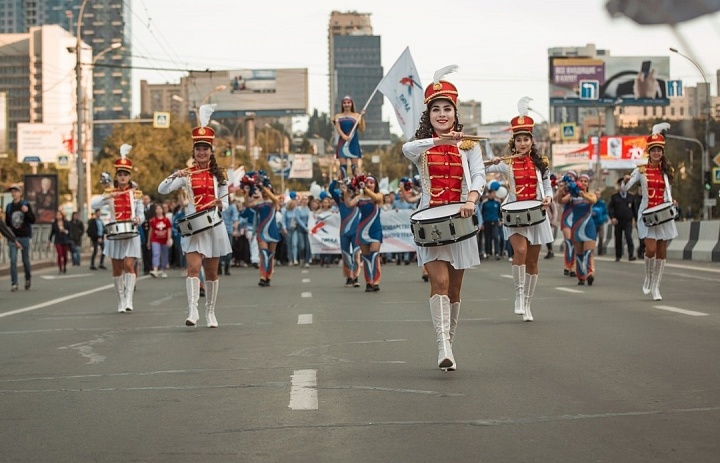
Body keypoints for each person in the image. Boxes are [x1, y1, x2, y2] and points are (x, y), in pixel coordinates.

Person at [402, 67, 486, 371]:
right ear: (429, 114)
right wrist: (439, 142)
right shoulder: (421, 146)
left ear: (455, 112)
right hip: (429, 223)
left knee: (454, 288)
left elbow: (478, 175)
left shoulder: (469, 146)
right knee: (438, 280)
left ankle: (449, 341)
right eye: (435, 109)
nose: (441, 114)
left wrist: (471, 199)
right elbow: (406, 148)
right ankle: (443, 347)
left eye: (446, 108)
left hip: (460, 221)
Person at [158, 104, 232, 327]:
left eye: (205, 148)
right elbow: (162, 189)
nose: (201, 152)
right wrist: (174, 175)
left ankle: (210, 312)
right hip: (192, 227)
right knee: (192, 268)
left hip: (213, 225)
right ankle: (193, 311)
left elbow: (226, 203)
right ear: (194, 151)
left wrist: (220, 204)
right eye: (198, 149)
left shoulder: (220, 175)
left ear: (211, 151)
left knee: (211, 272)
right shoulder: (186, 174)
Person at [487, 97, 553, 321]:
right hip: (514, 213)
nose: (522, 143)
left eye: (526, 139)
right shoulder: (507, 162)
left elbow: (546, 184)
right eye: (519, 140)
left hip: (536, 212)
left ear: (531, 141)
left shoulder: (540, 163)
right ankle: (518, 295)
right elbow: (482, 166)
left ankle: (528, 303)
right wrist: (492, 160)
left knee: (533, 262)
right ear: (513, 142)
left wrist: (549, 198)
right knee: (521, 252)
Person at [622, 123, 678, 301]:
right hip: (647, 214)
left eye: (659, 150)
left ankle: (656, 286)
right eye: (653, 150)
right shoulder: (641, 169)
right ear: (649, 151)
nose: (656, 153)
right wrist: (625, 181)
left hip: (663, 213)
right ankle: (648, 276)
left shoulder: (667, 171)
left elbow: (668, 192)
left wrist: (672, 202)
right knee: (651, 249)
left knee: (662, 252)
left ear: (662, 152)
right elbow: (626, 188)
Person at [91, 144, 144, 313]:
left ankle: (129, 298)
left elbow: (142, 215)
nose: (122, 177)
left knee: (129, 265)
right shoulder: (110, 193)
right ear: (117, 176)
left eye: (125, 174)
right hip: (115, 234)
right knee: (116, 268)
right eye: (120, 174)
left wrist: (138, 219)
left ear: (129, 177)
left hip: (131, 233)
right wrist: (107, 195)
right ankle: (120, 300)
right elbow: (93, 205)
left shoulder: (136, 194)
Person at [340, 173, 384, 292]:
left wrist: (364, 188)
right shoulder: (360, 197)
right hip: (362, 229)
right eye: (367, 182)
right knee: (366, 257)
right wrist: (345, 192)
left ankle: (376, 281)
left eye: (371, 182)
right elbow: (349, 204)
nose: (369, 184)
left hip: (375, 230)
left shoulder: (379, 195)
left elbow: (377, 199)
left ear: (375, 185)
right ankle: (368, 282)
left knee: (375, 255)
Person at [239, 171, 281, 286]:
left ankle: (268, 276)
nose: (265, 193)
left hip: (272, 231)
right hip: (261, 231)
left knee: (271, 255)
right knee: (263, 253)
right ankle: (263, 276)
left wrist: (264, 186)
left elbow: (275, 199)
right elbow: (247, 205)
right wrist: (246, 193)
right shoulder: (258, 203)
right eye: (263, 192)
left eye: (266, 191)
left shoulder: (274, 202)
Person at [560, 174, 598, 285]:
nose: (583, 182)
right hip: (576, 227)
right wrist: (560, 191)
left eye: (585, 181)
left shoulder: (590, 194)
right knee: (579, 253)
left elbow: (593, 200)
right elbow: (561, 201)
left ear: (588, 184)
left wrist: (583, 195)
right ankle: (581, 276)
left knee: (588, 252)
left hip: (588, 227)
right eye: (581, 180)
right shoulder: (572, 196)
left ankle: (590, 274)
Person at [329, 176, 361, 287]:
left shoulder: (358, 202)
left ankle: (356, 276)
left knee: (356, 254)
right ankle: (349, 277)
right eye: (347, 190)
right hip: (344, 232)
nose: (349, 192)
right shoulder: (340, 201)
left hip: (356, 232)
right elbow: (331, 190)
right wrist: (335, 181)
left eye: (351, 190)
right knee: (346, 255)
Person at [5, 183, 36, 292]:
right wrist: (9, 235)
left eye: (16, 191)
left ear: (20, 193)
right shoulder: (9, 206)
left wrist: (26, 212)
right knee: (13, 260)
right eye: (12, 191)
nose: (14, 193)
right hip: (13, 237)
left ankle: (27, 279)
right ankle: (14, 283)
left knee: (25, 260)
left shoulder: (25, 204)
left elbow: (33, 220)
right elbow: (7, 223)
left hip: (24, 236)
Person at [334, 95, 366, 178]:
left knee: (355, 168)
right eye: (344, 103)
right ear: (342, 105)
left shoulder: (356, 116)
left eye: (348, 102)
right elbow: (338, 128)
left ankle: (356, 185)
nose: (346, 104)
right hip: (342, 143)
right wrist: (344, 136)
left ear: (351, 104)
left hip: (353, 143)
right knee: (342, 169)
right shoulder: (338, 116)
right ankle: (343, 186)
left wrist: (362, 118)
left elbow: (362, 129)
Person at [608, 176, 638, 262]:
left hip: (628, 220)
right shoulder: (614, 197)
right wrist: (612, 217)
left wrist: (635, 220)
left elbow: (634, 209)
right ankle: (618, 255)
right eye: (621, 184)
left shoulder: (631, 197)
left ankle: (631, 254)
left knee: (628, 236)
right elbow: (610, 208)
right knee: (618, 238)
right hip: (618, 220)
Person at [556, 170, 577, 276]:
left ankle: (573, 266)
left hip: (577, 218)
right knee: (569, 241)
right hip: (567, 217)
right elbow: (560, 200)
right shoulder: (564, 189)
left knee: (575, 242)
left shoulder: (578, 189)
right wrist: (560, 190)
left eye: (572, 177)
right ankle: (567, 265)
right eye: (568, 177)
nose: (570, 179)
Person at [147, 204, 172, 278]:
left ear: (162, 210)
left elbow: (169, 230)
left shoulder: (166, 220)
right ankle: (155, 269)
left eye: (160, 209)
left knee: (164, 254)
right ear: (155, 211)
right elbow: (150, 231)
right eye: (157, 209)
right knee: (156, 253)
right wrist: (149, 241)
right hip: (155, 239)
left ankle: (164, 269)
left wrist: (168, 239)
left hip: (164, 240)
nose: (159, 210)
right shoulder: (153, 220)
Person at [480, 185, 502, 260]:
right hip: (486, 222)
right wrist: (482, 223)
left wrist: (500, 220)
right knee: (487, 238)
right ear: (489, 194)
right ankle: (488, 252)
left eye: (494, 193)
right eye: (492, 193)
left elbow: (500, 212)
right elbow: (481, 213)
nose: (493, 195)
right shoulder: (484, 203)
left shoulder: (497, 202)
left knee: (496, 237)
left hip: (495, 221)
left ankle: (497, 253)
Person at [219, 196, 239, 276]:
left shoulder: (232, 207)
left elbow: (235, 218)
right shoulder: (218, 206)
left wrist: (235, 229)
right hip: (219, 230)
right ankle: (219, 267)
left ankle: (227, 266)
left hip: (228, 230)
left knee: (228, 250)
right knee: (218, 250)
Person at [48, 210, 72, 274]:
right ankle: (60, 268)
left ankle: (64, 266)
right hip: (58, 240)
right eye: (57, 215)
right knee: (59, 253)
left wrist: (65, 231)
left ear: (62, 215)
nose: (58, 216)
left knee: (65, 255)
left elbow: (70, 232)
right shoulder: (54, 223)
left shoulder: (66, 222)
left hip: (65, 240)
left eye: (59, 215)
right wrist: (49, 241)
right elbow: (52, 233)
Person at [591, 189, 609, 255]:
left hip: (600, 223)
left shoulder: (602, 203)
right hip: (593, 223)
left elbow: (605, 212)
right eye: (596, 194)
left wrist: (604, 218)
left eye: (598, 194)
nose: (597, 196)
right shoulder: (591, 202)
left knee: (601, 237)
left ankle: (600, 251)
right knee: (593, 238)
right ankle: (591, 250)